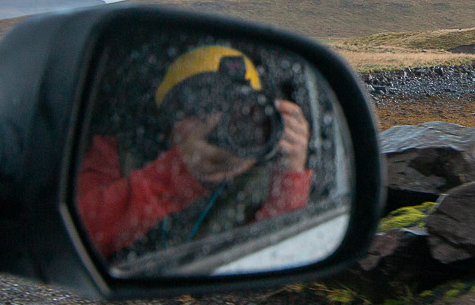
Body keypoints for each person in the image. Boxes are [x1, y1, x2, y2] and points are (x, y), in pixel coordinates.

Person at [76, 45, 312, 258]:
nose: (218, 120)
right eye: (203, 105)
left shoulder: (263, 174)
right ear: (170, 115)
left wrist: (290, 175)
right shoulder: (119, 152)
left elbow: (275, 255)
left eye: (241, 111)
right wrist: (176, 174)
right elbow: (79, 233)